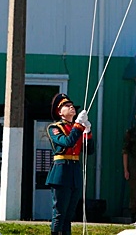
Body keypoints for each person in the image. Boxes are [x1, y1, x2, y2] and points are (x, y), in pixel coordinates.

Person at [46, 93, 94, 235]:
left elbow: (89, 150)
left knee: (69, 215)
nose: (71, 107)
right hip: (61, 172)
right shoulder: (54, 127)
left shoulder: (76, 128)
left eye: (71, 105)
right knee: (59, 213)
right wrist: (78, 126)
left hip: (74, 172)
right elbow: (67, 142)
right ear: (59, 112)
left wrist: (88, 132)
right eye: (66, 106)